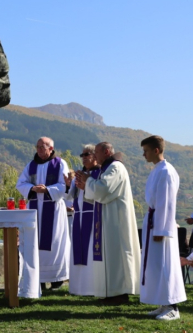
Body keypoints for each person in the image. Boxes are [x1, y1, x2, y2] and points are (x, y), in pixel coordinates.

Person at [76, 142, 140, 304]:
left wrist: (88, 180)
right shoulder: (107, 168)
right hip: (106, 219)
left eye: (96, 152)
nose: (94, 156)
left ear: (106, 152)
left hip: (116, 221)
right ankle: (110, 292)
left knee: (116, 256)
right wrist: (85, 186)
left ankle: (119, 293)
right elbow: (97, 192)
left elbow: (104, 190)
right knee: (108, 256)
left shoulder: (115, 168)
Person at [139, 135, 186, 320]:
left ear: (156, 150)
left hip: (161, 225)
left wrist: (161, 230)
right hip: (153, 221)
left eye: (146, 151)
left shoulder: (166, 171)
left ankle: (172, 306)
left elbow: (166, 203)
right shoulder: (157, 170)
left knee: (166, 264)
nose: (144, 155)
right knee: (156, 265)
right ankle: (162, 303)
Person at [16, 137, 70, 290]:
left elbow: (64, 185)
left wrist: (47, 189)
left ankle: (56, 279)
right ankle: (38, 279)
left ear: (51, 148)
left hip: (52, 209)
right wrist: (32, 189)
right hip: (34, 209)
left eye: (43, 147)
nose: (39, 149)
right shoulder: (31, 165)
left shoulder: (59, 163)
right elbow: (20, 183)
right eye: (37, 146)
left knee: (54, 242)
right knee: (35, 243)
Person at [66, 145, 99, 296]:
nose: (84, 157)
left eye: (87, 154)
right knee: (78, 251)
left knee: (91, 251)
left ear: (95, 156)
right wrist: (69, 185)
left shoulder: (99, 174)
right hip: (78, 215)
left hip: (93, 216)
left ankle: (91, 287)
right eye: (82, 155)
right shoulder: (79, 174)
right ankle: (77, 287)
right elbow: (69, 197)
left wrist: (86, 187)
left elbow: (100, 194)